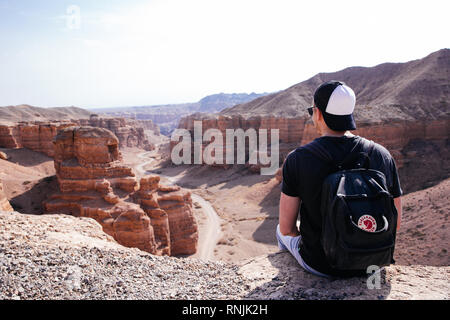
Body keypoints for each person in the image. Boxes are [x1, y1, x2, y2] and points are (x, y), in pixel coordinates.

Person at [276, 80, 403, 278]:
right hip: (373, 264)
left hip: (321, 265)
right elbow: (395, 220)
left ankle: (284, 279)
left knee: (279, 232)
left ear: (317, 113)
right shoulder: (381, 154)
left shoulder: (298, 159)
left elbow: (288, 228)